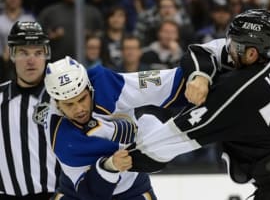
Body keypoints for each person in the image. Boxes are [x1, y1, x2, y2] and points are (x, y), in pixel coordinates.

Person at [126, 9, 270, 199]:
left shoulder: (244, 91)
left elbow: (182, 133)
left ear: (252, 53)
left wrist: (127, 157)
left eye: (235, 44)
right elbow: (205, 51)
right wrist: (200, 76)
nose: (229, 47)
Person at [43, 56, 186, 199]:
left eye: (82, 99)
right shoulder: (59, 133)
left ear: (89, 87)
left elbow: (163, 83)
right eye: (69, 104)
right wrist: (110, 166)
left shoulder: (107, 84)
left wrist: (198, 75)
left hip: (132, 189)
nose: (79, 109)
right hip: (76, 194)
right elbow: (88, 193)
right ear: (57, 104)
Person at [0, 21, 60, 199]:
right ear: (11, 54)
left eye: (38, 53)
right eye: (23, 53)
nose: (31, 60)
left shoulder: (63, 99)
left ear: (46, 54)